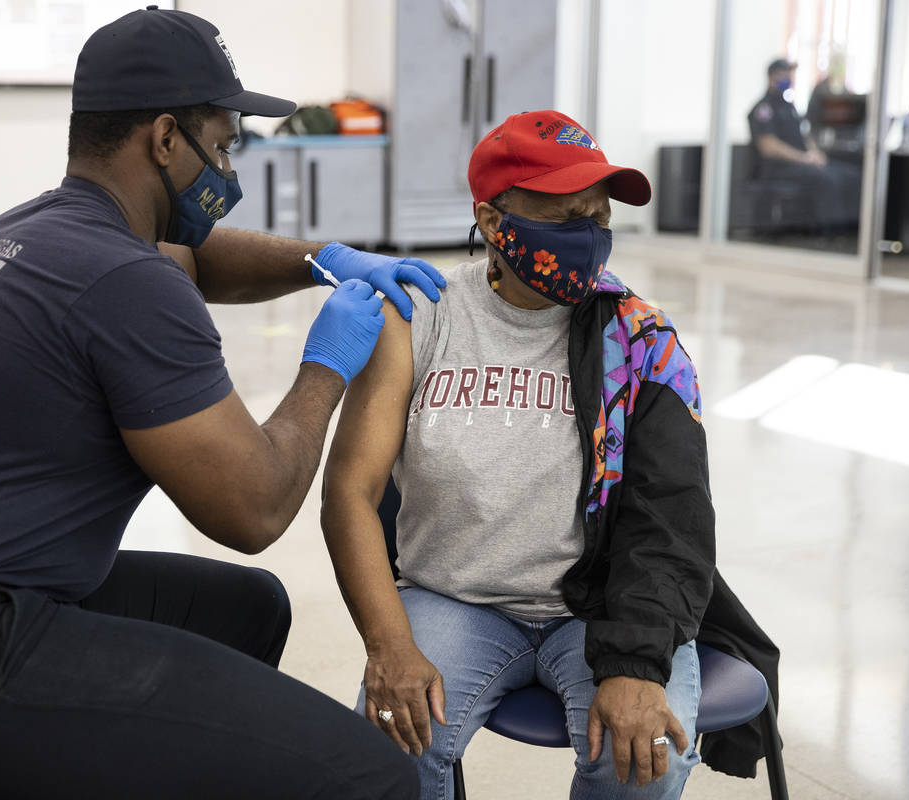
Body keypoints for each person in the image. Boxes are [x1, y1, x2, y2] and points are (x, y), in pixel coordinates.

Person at [0, 8, 446, 799]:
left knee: (247, 612)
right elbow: (256, 508)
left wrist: (319, 261)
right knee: (371, 779)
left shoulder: (33, 230)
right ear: (167, 139)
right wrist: (326, 365)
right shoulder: (126, 283)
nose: (229, 172)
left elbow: (195, 263)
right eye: (225, 143)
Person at [322, 111, 777, 799]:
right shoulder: (422, 314)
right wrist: (389, 647)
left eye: (597, 215)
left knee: (641, 760)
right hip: (455, 598)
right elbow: (350, 492)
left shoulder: (642, 340)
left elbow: (672, 518)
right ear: (494, 219)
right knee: (387, 749)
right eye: (563, 216)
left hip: (598, 606)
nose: (588, 237)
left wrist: (636, 663)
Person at [747, 58, 860, 230]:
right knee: (827, 180)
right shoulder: (764, 109)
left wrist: (815, 154)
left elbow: (803, 136)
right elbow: (769, 147)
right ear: (772, 78)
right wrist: (804, 158)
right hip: (779, 168)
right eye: (784, 75)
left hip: (801, 163)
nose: (789, 79)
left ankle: (853, 231)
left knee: (850, 175)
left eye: (789, 75)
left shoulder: (789, 106)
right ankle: (832, 233)